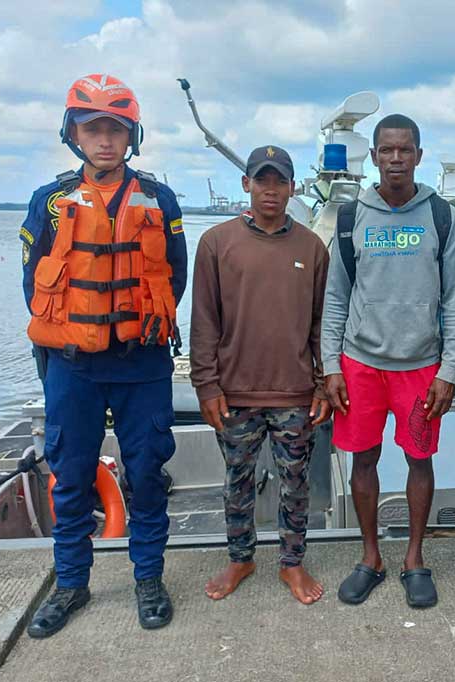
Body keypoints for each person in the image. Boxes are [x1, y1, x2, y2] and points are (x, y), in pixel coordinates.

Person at [20, 74, 187, 637]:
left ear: (131, 136)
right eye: (93, 129)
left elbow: (175, 276)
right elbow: (32, 284)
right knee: (70, 476)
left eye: (115, 129)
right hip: (73, 365)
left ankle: (148, 580)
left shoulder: (160, 201)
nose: (105, 141)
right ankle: (70, 583)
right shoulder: (49, 202)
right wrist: (71, 336)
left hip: (142, 363)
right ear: (74, 135)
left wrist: (136, 324)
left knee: (145, 473)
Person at [322, 114, 455, 609]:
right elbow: (336, 298)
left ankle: (414, 558)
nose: (396, 159)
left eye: (405, 150)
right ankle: (371, 557)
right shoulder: (350, 217)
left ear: (419, 156)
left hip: (421, 366)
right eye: (387, 150)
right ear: (375, 157)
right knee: (363, 459)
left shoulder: (442, 217)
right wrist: (331, 366)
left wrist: (450, 370)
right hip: (361, 364)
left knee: (419, 459)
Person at [190, 145, 330, 605]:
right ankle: (240, 557)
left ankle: (292, 563)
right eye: (262, 180)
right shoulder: (215, 242)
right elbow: (204, 321)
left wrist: (324, 381)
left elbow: (321, 324)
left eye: (280, 181)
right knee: (237, 481)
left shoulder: (311, 247)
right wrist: (205, 385)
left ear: (292, 188)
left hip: (293, 392)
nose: (271, 190)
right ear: (246, 184)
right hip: (234, 392)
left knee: (296, 483)